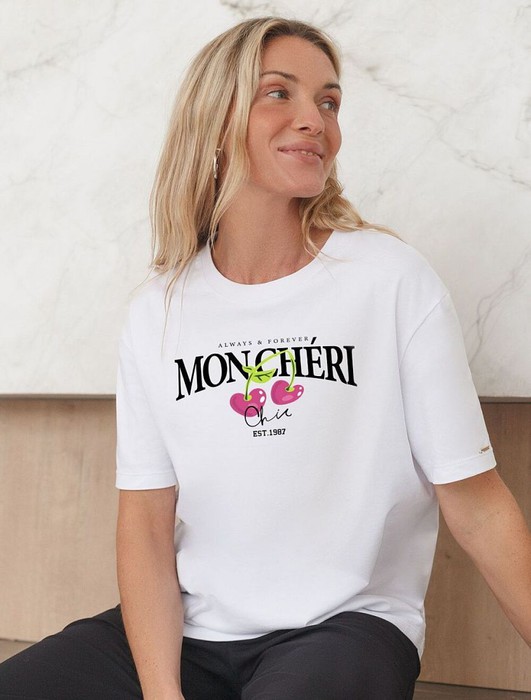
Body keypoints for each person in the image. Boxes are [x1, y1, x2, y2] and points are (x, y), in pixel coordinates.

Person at [1, 16, 530, 700]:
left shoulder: (389, 280)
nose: (315, 119)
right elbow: (146, 526)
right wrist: (162, 693)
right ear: (215, 117)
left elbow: (477, 506)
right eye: (278, 92)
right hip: (192, 631)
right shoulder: (158, 310)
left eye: (329, 102)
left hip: (343, 630)